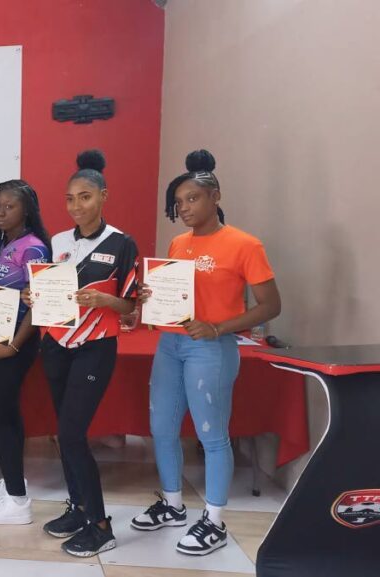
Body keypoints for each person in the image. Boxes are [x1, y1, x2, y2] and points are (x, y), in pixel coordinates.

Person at [131, 150, 281, 556]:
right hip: (171, 344)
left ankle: (214, 520)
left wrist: (217, 327)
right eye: (179, 202)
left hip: (211, 347)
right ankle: (173, 504)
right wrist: (151, 294)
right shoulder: (178, 242)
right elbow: (176, 294)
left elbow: (270, 306)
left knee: (212, 436)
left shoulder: (244, 244)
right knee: (162, 427)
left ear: (215, 196)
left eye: (192, 199)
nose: (184, 208)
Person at [29, 150, 139, 557]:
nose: (77, 206)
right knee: (64, 433)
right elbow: (50, 296)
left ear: (103, 196)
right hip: (56, 346)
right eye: (70, 198)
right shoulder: (57, 243)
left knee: (75, 434)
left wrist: (102, 301)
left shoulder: (121, 243)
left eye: (86, 197)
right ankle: (77, 508)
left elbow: (130, 307)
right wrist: (33, 296)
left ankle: (100, 524)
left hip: (95, 348)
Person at [0, 180, 51, 525]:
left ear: (26, 210)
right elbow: (6, 293)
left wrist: (14, 345)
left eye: (9, 206)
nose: (0, 212)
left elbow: (37, 303)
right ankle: (12, 483)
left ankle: (17, 503)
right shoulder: (4, 244)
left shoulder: (32, 248)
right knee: (7, 414)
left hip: (14, 344)